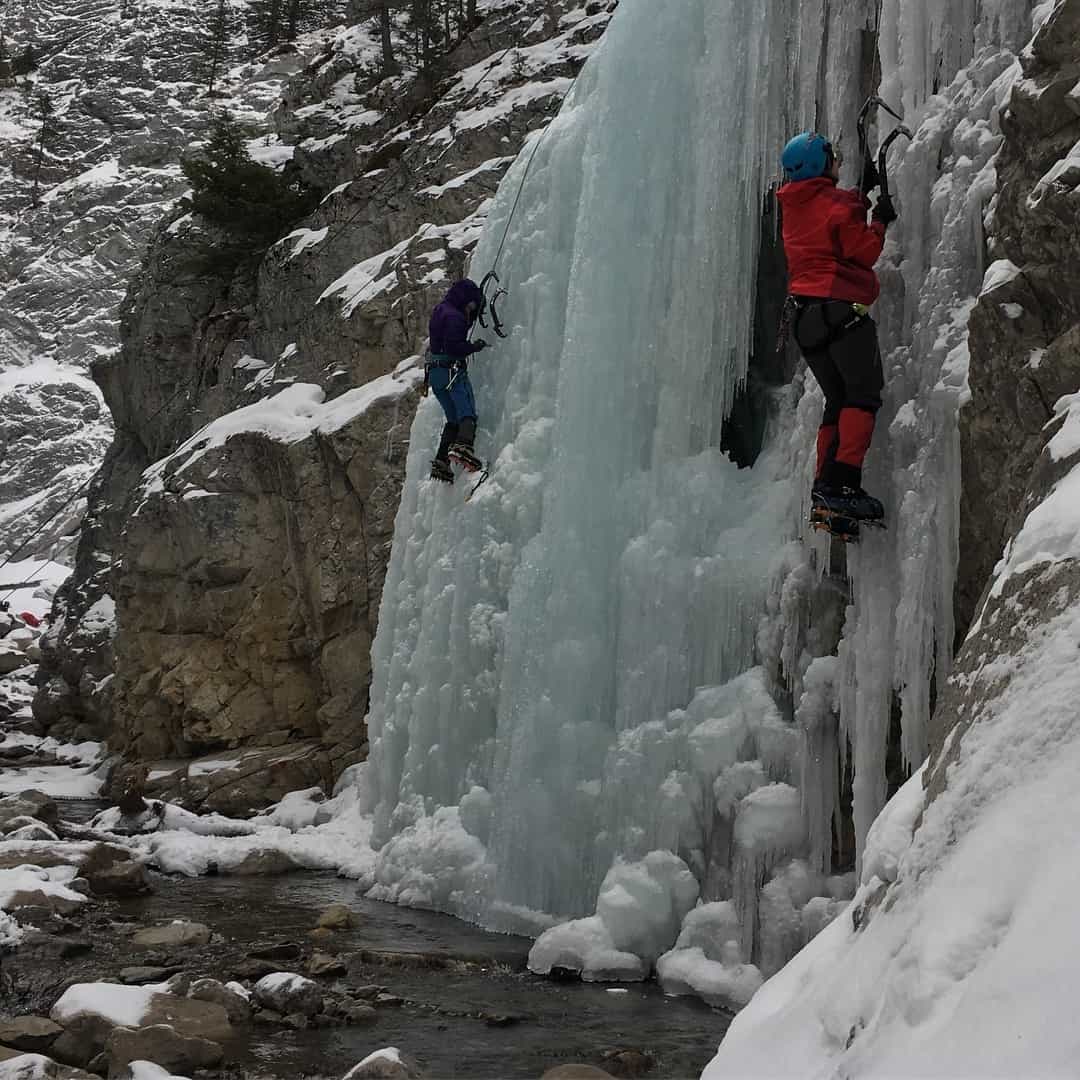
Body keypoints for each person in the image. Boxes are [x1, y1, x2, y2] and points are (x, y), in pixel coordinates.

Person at [776, 131, 897, 521]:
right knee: (862, 396)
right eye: (833, 157)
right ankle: (843, 485)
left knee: (837, 400)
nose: (838, 163)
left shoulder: (794, 205)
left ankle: (823, 489)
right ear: (820, 164)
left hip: (804, 321)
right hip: (839, 313)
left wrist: (860, 197)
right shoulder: (834, 206)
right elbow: (864, 250)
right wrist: (879, 220)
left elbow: (831, 215)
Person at [426, 278, 489, 483]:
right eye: (472, 305)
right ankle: (463, 447)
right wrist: (474, 347)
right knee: (466, 411)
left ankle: (442, 461)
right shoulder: (456, 317)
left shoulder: (441, 310)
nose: (472, 310)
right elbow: (453, 347)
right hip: (452, 372)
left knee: (452, 418)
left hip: (435, 376)